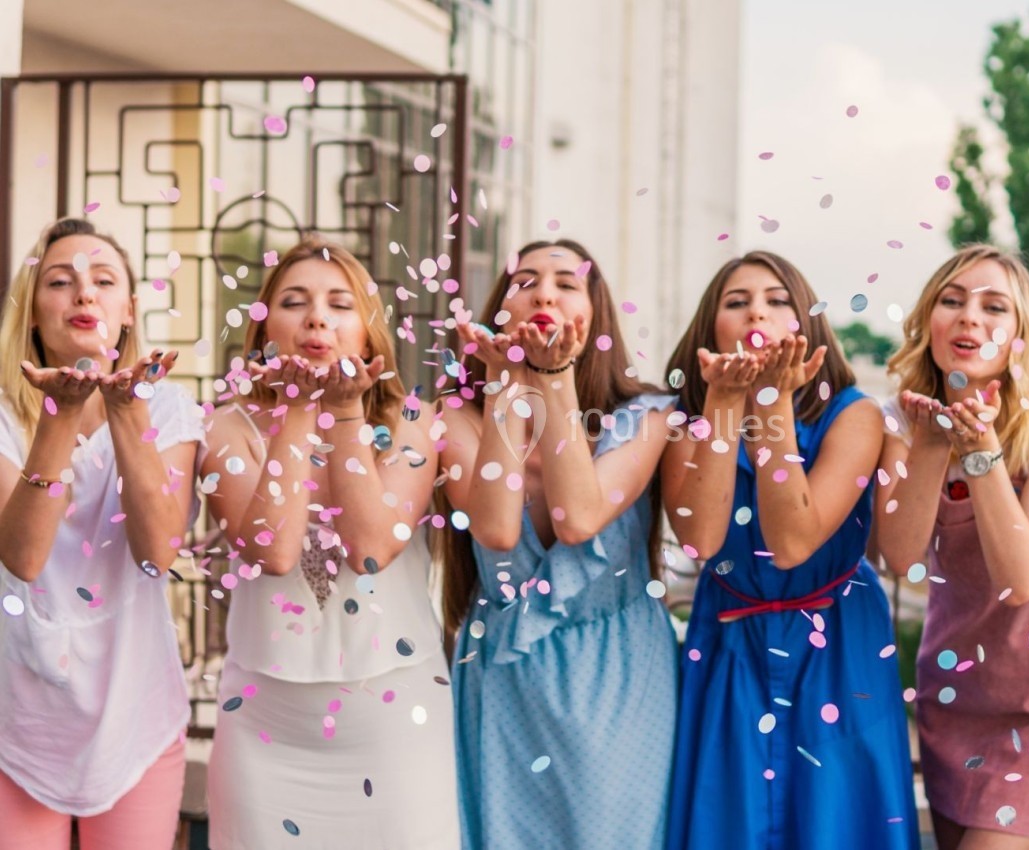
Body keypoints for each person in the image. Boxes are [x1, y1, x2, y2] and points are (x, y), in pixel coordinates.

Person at [202, 236, 458, 849]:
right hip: (265, 730)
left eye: (340, 304)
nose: (317, 316)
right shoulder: (225, 426)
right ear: (265, 329)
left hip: (395, 724)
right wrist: (297, 406)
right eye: (294, 301)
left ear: (369, 334)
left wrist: (344, 416)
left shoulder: (412, 423)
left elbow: (370, 549)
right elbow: (276, 551)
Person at [663, 251, 918, 850]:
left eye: (778, 300)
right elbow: (699, 538)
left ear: (808, 325)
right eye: (737, 301)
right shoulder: (684, 423)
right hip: (730, 642)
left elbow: (793, 541)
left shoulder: (854, 416)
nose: (758, 310)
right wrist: (725, 404)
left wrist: (773, 404)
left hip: (837, 642)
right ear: (710, 330)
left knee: (837, 820)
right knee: (730, 819)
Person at [438, 239, 676, 849]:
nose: (545, 291)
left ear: (596, 314)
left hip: (618, 668)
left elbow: (577, 518)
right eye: (525, 281)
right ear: (499, 311)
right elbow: (495, 528)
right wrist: (506, 389)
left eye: (567, 283)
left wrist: (553, 378)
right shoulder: (457, 416)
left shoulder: (646, 416)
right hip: (505, 673)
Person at [877, 244, 1029, 849]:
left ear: (1021, 337)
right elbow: (896, 558)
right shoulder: (898, 421)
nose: (969, 317)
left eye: (993, 306)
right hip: (952, 699)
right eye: (951, 301)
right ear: (929, 321)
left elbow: (1021, 578)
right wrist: (932, 443)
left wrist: (979, 450)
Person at [0, 218, 200, 849]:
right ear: (33, 312)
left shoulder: (167, 409)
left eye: (103, 280)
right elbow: (23, 557)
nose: (84, 294)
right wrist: (57, 418)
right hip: (16, 727)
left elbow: (158, 554)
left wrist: (126, 410)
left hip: (135, 718)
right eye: (60, 281)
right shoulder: (3, 416)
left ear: (127, 310)